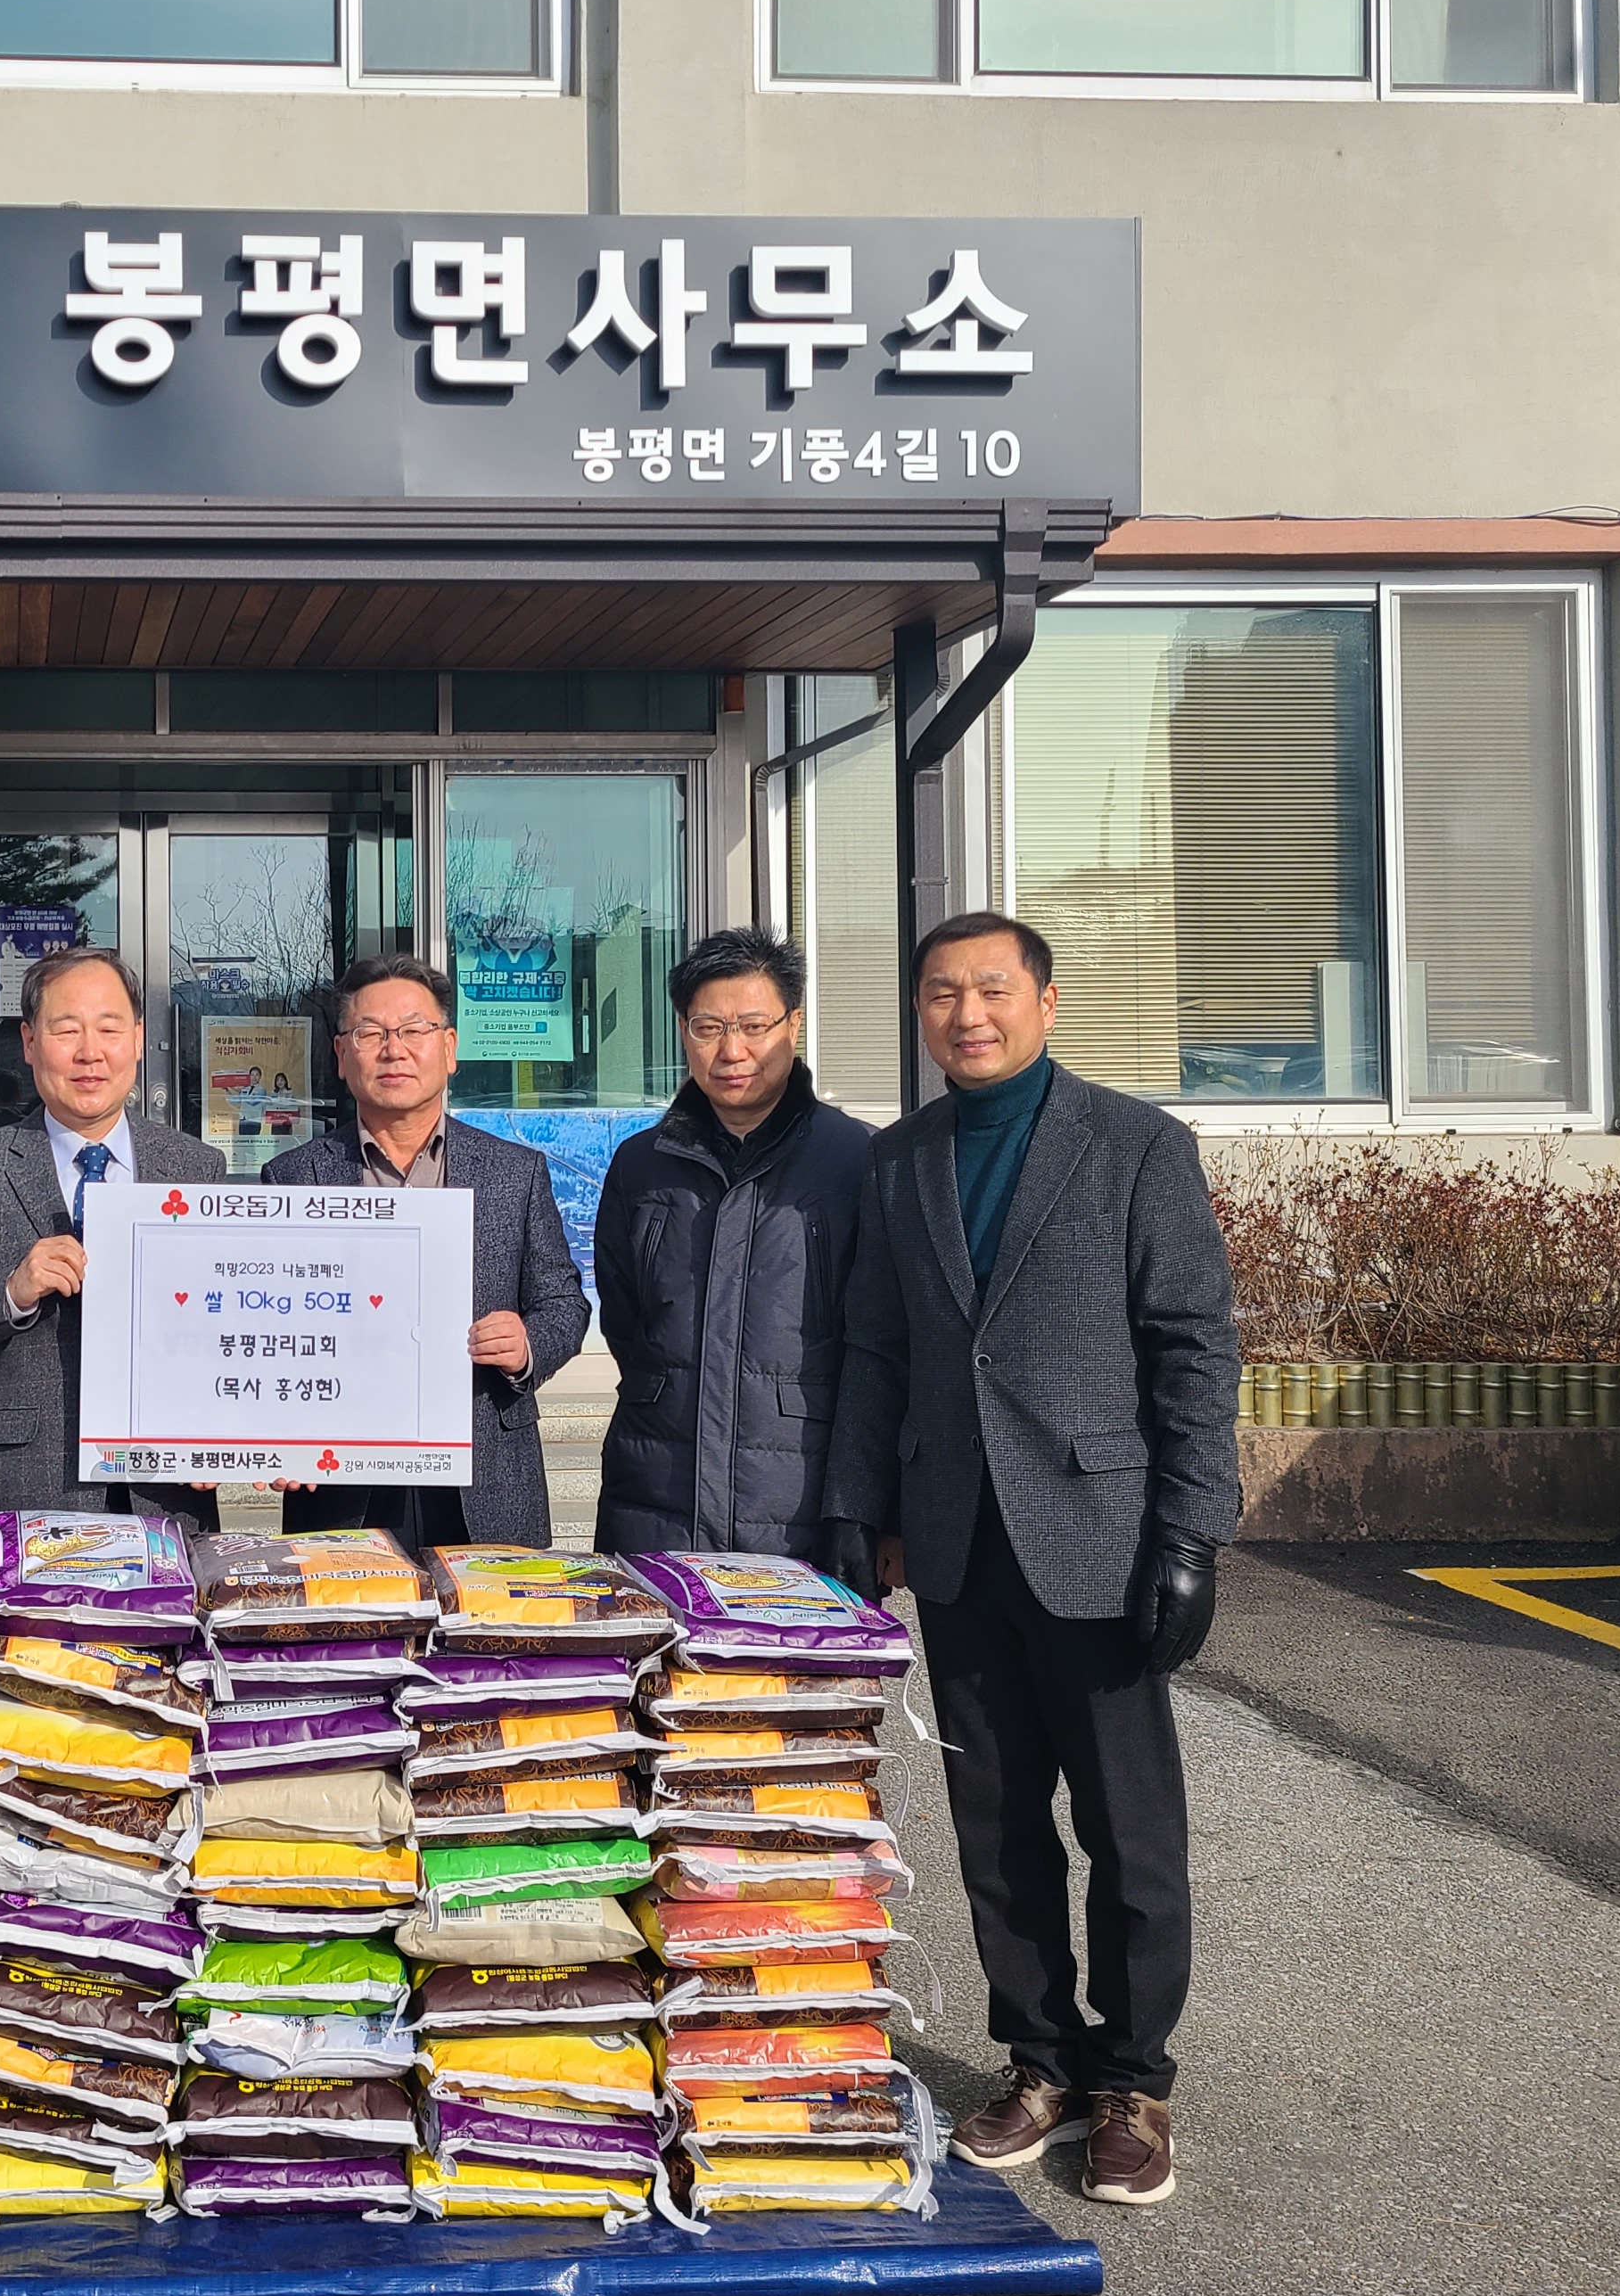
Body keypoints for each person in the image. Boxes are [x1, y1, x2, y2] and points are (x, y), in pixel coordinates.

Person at [818, 910, 1238, 2210]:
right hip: (956, 1541)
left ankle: (1134, 2081)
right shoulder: (901, 1160)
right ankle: (1041, 2061)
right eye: (943, 994)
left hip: (1098, 1539)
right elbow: (878, 1345)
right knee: (997, 1827)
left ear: (1045, 1004)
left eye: (992, 990)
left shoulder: (1137, 1146)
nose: (968, 1015)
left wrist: (1191, 1533)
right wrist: (861, 1509)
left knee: (1128, 1827)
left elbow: (1193, 1345)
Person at [264, 953, 591, 1549]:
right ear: (341, 1055)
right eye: (370, 1033)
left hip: (483, 1468)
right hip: (341, 1480)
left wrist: (526, 1346)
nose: (394, 1050)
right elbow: (267, 1322)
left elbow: (563, 1304)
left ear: (449, 1047)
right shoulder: (292, 1177)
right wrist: (275, 1430)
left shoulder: (513, 1172)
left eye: (414, 1030)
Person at [0, 945, 225, 1518]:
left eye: (109, 1029)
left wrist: (229, 1431)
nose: (89, 1052)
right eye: (66, 1029)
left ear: (138, 1039)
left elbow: (228, 1320)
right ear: (29, 1042)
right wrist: (10, 1291)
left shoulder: (196, 1168)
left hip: (165, 1492)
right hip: (25, 1489)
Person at [590, 927, 875, 1560]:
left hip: (800, 1500)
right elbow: (627, 1322)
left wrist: (866, 1508)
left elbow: (880, 1344)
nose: (732, 1050)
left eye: (753, 1026)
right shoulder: (641, 1164)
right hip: (655, 1492)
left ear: (793, 1025)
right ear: (682, 1030)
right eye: (709, 1028)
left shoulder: (858, 1160)